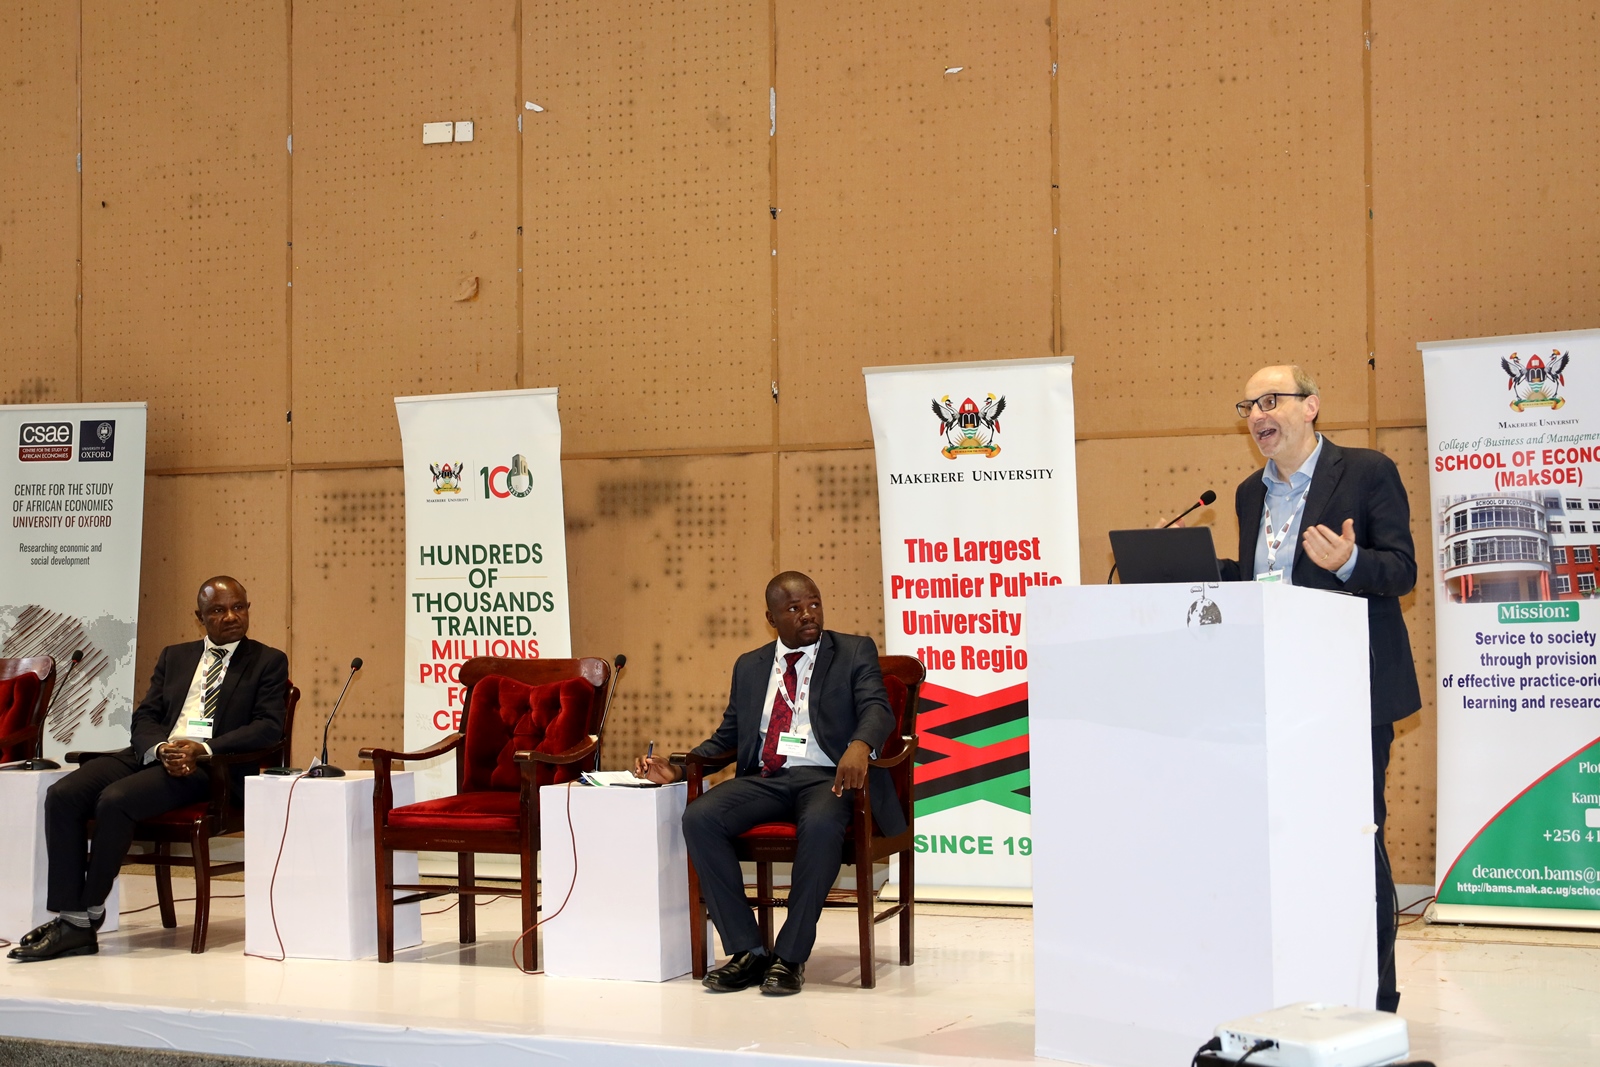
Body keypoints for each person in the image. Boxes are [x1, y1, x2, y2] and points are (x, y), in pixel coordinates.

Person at [1220, 365, 1420, 1012]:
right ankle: (1300, 986)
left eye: (1271, 400)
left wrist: (1352, 562)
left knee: (1357, 841)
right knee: (1286, 845)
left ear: (1311, 406)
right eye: (1249, 405)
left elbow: (1403, 568)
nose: (1258, 414)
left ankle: (1376, 998)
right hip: (1276, 697)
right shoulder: (1250, 493)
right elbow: (1267, 586)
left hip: (1351, 693)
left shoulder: (1365, 471)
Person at [633, 571, 898, 996]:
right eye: (794, 609)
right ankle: (748, 952)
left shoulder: (852, 651)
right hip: (767, 777)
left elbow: (877, 709)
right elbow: (728, 736)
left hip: (827, 777)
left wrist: (860, 744)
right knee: (700, 817)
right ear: (771, 617)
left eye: (813, 603)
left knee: (823, 825)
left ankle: (790, 957)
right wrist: (681, 769)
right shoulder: (751, 665)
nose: (808, 614)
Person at [8, 576, 288, 963]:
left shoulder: (267, 661)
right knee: (64, 794)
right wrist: (160, 747)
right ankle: (73, 917)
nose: (231, 617)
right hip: (157, 754)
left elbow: (267, 727)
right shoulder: (176, 656)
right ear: (200, 617)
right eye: (218, 610)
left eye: (239, 607)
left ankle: (82, 919)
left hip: (209, 768)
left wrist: (201, 747)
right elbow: (146, 716)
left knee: (116, 800)